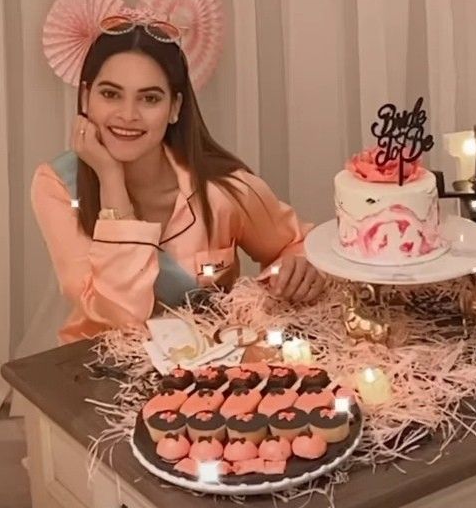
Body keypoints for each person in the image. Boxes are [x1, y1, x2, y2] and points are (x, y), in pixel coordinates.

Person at [32, 17, 325, 343]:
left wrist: (292, 272)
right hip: (98, 368)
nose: (128, 114)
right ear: (86, 98)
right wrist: (111, 179)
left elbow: (298, 244)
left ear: (175, 108)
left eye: (150, 98)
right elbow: (123, 317)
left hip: (212, 371)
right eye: (111, 94)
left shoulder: (223, 191)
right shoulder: (57, 185)